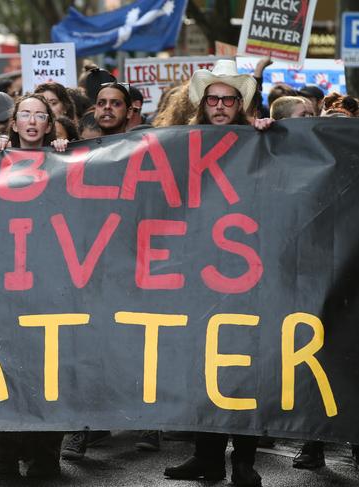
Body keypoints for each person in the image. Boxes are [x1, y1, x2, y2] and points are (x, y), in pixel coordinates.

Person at [164, 59, 271, 487]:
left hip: (249, 273)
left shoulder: (260, 140)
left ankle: (243, 461)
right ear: (204, 103)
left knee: (243, 368)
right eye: (214, 99)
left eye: (229, 99)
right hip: (197, 271)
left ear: (239, 103)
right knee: (202, 367)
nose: (221, 106)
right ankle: (206, 457)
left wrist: (272, 140)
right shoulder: (183, 143)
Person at [0, 94, 67, 478]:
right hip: (5, 281)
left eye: (40, 115)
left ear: (50, 125)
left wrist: (68, 155)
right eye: (25, 115)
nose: (33, 121)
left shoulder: (64, 161)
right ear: (13, 123)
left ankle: (45, 452)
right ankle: (5, 453)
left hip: (52, 280)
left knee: (48, 368)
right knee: (3, 366)